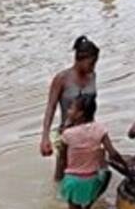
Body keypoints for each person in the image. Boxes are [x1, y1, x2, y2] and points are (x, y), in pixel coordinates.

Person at [40, 36, 100, 178]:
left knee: (89, 171)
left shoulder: (92, 76)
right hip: (68, 133)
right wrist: (45, 137)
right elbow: (51, 108)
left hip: (89, 131)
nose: (93, 67)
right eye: (91, 63)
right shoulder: (62, 79)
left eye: (95, 63)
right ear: (80, 59)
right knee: (62, 172)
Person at [57, 94, 123, 209]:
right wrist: (126, 166)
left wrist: (60, 180)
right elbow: (113, 153)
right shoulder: (100, 129)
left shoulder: (67, 134)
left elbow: (62, 160)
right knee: (105, 170)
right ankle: (88, 205)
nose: (68, 111)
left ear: (80, 113)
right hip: (93, 180)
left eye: (71, 108)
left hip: (73, 182)